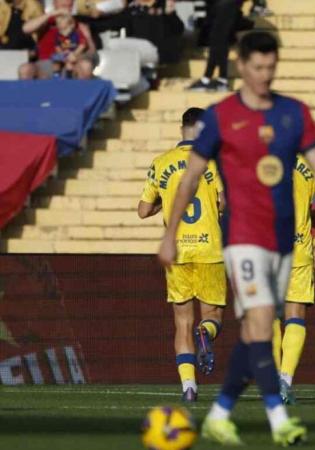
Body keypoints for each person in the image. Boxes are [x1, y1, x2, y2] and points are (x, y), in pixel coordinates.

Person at [157, 31, 315, 446]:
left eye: (270, 66)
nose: (264, 74)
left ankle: (235, 410)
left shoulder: (291, 116)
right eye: (257, 66)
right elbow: (195, 176)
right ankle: (270, 406)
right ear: (243, 67)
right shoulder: (224, 117)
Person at [138, 107, 227, 403]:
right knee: (213, 315)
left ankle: (189, 387)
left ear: (182, 129)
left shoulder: (161, 163)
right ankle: (207, 332)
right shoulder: (215, 163)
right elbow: (224, 203)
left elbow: (142, 211)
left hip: (176, 250)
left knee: (182, 322)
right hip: (209, 248)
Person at [278, 154, 315, 405]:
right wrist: (311, 217)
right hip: (298, 248)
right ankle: (286, 379)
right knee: (295, 315)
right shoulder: (309, 163)